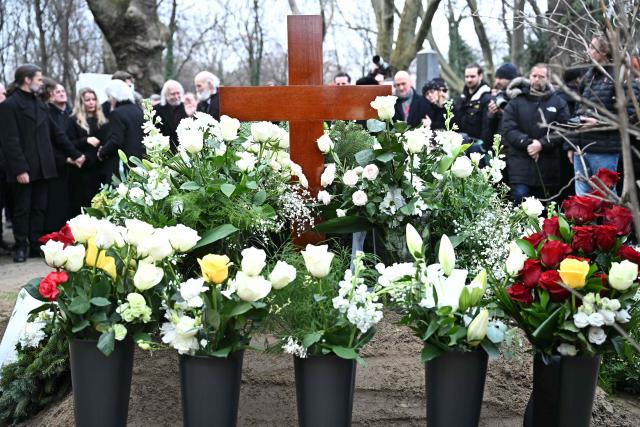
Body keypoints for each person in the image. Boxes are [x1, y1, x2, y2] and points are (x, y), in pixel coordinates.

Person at [0, 64, 85, 262]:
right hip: (24, 168)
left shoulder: (41, 105)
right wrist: (20, 168)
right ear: (27, 80)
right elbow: (10, 141)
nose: (41, 82)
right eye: (38, 79)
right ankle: (21, 246)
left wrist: (75, 154)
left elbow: (57, 134)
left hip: (43, 166)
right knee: (22, 209)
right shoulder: (9, 106)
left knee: (39, 207)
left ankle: (35, 243)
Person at [567, 36, 640, 195]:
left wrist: (598, 122)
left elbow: (632, 115)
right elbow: (577, 110)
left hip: (605, 149)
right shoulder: (589, 76)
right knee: (582, 201)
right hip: (582, 148)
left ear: (605, 51)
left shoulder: (620, 76)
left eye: (593, 48)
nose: (588, 51)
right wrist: (572, 145)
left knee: (606, 197)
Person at [501, 63, 570, 204]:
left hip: (548, 167)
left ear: (549, 79)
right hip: (520, 164)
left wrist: (541, 144)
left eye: (541, 76)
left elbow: (563, 129)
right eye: (534, 76)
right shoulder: (516, 101)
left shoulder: (558, 102)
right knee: (520, 199)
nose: (537, 79)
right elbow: (508, 128)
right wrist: (529, 143)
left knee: (545, 207)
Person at [66, 87, 109, 217]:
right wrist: (86, 140)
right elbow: (68, 143)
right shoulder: (72, 120)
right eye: (87, 100)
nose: (91, 103)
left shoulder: (103, 120)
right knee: (81, 205)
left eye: (94, 99)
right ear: (81, 102)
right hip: (81, 169)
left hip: (99, 167)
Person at [41, 79, 75, 233]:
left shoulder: (71, 113)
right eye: (57, 92)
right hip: (57, 165)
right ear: (51, 96)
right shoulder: (49, 114)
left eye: (63, 91)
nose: (62, 93)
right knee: (56, 205)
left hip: (74, 166)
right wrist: (66, 159)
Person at [98, 79, 145, 181]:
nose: (109, 100)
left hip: (123, 166)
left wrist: (102, 152)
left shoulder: (117, 113)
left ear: (114, 96)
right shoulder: (138, 110)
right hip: (139, 163)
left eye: (109, 97)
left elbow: (116, 140)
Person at [482, 63, 519, 147]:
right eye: (496, 78)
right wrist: (491, 115)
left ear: (512, 79)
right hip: (500, 148)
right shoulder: (498, 96)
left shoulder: (521, 96)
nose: (497, 81)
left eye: (501, 78)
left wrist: (506, 112)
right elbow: (490, 130)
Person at [454, 63, 492, 142]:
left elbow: (487, 128)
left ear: (480, 76)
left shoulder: (486, 98)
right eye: (467, 77)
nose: (469, 80)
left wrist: (482, 147)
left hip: (477, 147)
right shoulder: (461, 99)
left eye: (472, 76)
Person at [154, 80, 188, 151]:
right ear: (165, 95)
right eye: (172, 94)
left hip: (185, 148)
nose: (176, 96)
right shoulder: (157, 110)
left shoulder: (185, 107)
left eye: (178, 93)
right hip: (166, 150)